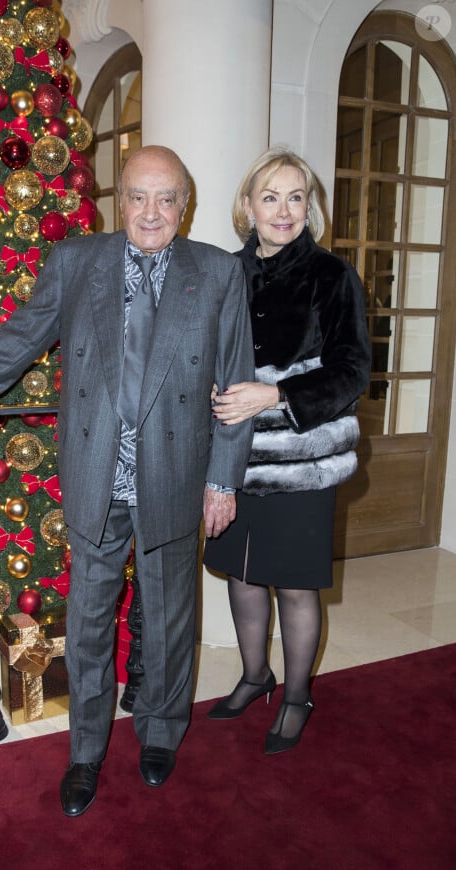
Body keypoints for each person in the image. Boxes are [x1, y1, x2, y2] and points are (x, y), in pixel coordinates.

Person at [0, 146, 254, 814]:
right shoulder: (78, 261)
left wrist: (224, 482)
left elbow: (234, 381)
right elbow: (19, 338)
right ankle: (86, 751)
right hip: (96, 474)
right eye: (140, 197)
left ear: (185, 204)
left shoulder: (217, 272)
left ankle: (160, 734)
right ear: (123, 201)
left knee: (172, 618)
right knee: (89, 623)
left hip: (175, 474)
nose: (151, 212)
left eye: (166, 198)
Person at [203, 146, 371, 754]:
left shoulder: (332, 275)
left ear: (310, 206)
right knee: (243, 574)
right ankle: (255, 675)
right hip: (231, 456)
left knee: (296, 585)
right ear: (247, 207)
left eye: (295, 196)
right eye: (269, 196)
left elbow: (353, 371)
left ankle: (297, 694)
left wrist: (274, 393)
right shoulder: (223, 272)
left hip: (302, 462)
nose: (283, 210)